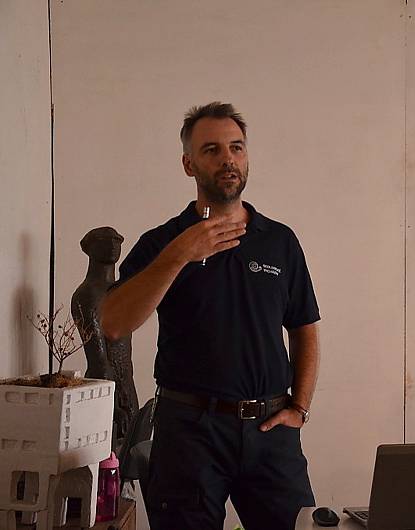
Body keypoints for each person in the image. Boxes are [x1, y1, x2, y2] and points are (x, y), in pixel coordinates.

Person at [100, 102, 321, 530]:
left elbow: (304, 327)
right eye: (212, 150)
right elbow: (113, 322)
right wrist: (180, 255)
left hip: (270, 432)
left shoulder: (279, 241)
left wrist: (300, 407)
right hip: (188, 433)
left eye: (236, 148)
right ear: (189, 164)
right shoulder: (163, 241)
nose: (227, 160)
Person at [71, 226, 138, 446]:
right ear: (89, 248)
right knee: (107, 452)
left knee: (127, 450)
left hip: (125, 381)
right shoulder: (87, 294)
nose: (112, 244)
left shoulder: (118, 291)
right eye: (104, 240)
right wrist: (113, 400)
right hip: (106, 385)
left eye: (116, 240)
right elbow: (97, 358)